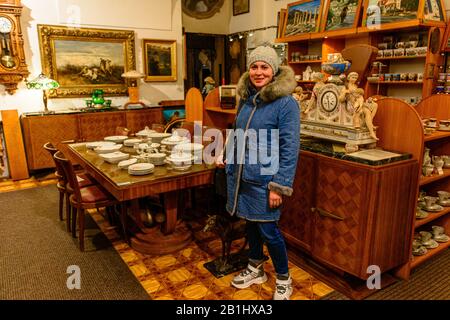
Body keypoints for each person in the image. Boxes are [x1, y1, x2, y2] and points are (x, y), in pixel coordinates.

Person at [216, 46, 300, 300]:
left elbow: (290, 147)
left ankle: (284, 279)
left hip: (266, 181)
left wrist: (279, 185)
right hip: (243, 177)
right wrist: (226, 154)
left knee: (269, 231)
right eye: (254, 66)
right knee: (250, 224)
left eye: (264, 67)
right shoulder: (246, 98)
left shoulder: (286, 103)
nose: (258, 72)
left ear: (273, 71)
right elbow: (238, 132)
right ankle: (256, 267)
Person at [339, 72, 378, 140]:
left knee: (373, 107)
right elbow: (340, 99)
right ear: (349, 78)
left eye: (356, 78)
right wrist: (344, 92)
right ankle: (370, 127)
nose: (354, 79)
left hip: (358, 102)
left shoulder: (355, 86)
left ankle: (370, 128)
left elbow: (359, 95)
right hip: (351, 105)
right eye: (353, 77)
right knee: (366, 111)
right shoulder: (345, 86)